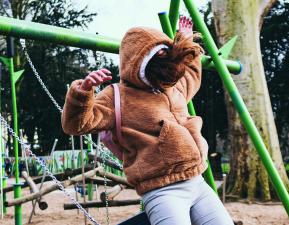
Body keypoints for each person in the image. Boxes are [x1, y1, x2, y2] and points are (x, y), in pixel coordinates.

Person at [62, 16, 233, 225]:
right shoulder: (118, 96)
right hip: (163, 190)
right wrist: (83, 91)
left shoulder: (172, 87)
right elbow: (77, 124)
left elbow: (191, 74)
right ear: (138, 63)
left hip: (198, 181)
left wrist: (186, 41)